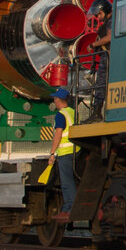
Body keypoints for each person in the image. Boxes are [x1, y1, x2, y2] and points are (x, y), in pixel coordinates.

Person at [47, 90, 79, 222]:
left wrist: (52, 153)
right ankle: (70, 206)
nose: (54, 101)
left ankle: (69, 208)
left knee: (66, 182)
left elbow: (58, 134)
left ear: (59, 100)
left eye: (54, 99)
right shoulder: (72, 112)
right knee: (72, 181)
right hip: (76, 150)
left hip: (65, 153)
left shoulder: (60, 115)